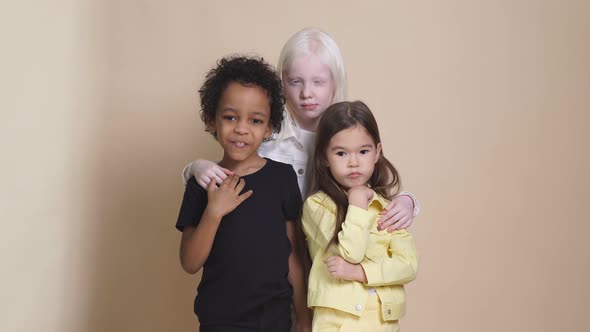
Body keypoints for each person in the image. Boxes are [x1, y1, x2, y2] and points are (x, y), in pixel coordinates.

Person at [182, 28, 420, 232]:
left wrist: (408, 201)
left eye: (318, 82)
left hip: (336, 250)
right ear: (281, 82)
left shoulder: (350, 135)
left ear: (336, 82)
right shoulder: (267, 137)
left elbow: (378, 182)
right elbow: (230, 171)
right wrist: (195, 168)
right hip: (279, 252)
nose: (307, 93)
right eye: (296, 82)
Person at [175, 55, 311, 332]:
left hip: (275, 321)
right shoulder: (202, 183)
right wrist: (214, 211)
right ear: (211, 119)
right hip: (219, 322)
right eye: (230, 117)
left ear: (270, 127)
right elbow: (189, 262)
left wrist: (303, 318)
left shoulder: (282, 178)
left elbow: (293, 256)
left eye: (256, 120)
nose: (241, 128)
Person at [302, 101, 418, 331]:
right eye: (341, 153)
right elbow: (351, 253)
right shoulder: (317, 206)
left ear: (377, 152)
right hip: (337, 324)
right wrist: (356, 202)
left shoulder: (387, 207)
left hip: (382, 324)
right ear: (325, 157)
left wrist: (360, 273)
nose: (353, 162)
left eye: (363, 151)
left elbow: (408, 265)